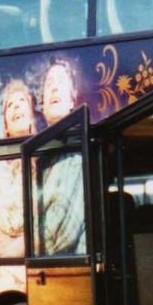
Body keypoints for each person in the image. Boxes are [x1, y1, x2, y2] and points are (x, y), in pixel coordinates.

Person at [0, 80, 35, 305]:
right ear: (5, 125)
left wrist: (21, 243)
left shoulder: (44, 160)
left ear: (32, 117)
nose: (16, 107)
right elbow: (11, 222)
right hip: (3, 277)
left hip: (35, 270)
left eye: (22, 102)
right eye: (10, 105)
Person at [36, 60, 86, 255]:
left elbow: (60, 236)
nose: (54, 87)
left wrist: (15, 249)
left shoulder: (75, 157)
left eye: (60, 82)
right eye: (49, 84)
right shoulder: (42, 159)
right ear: (43, 106)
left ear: (72, 100)